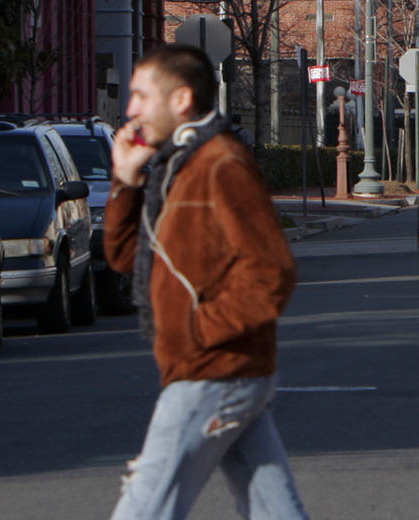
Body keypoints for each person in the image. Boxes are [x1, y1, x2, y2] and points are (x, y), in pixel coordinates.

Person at [106, 43, 308, 520]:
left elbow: (271, 273)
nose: (130, 110)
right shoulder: (177, 167)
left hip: (212, 370)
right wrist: (127, 182)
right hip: (226, 370)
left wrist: (196, 335)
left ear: (180, 100)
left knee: (143, 509)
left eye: (140, 95)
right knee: (272, 509)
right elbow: (125, 257)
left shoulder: (220, 165)